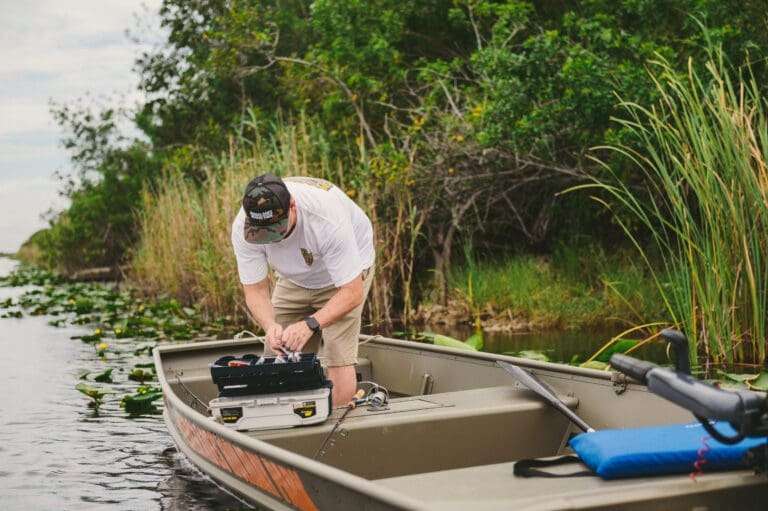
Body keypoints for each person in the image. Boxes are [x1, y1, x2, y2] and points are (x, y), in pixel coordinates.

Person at [231, 173, 375, 406]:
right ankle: (289, 417)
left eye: (276, 229)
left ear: (293, 206)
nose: (272, 240)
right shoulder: (243, 227)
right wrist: (270, 325)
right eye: (263, 232)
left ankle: (337, 421)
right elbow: (255, 291)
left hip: (344, 278)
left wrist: (311, 324)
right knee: (277, 352)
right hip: (294, 277)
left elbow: (352, 292)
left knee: (337, 354)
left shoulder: (326, 219)